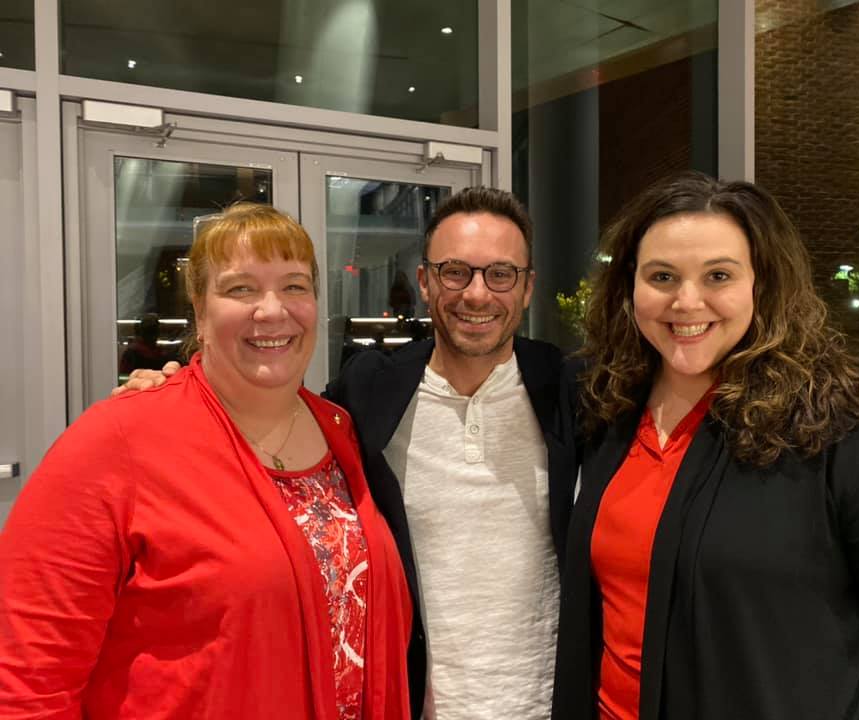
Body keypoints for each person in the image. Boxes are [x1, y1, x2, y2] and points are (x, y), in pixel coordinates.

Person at [113, 187, 579, 720]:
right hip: (408, 702)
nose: (477, 294)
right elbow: (262, 412)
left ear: (526, 288)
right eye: (455, 272)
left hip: (544, 701)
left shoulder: (570, 389)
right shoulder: (367, 391)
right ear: (425, 282)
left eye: (501, 274)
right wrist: (179, 387)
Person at [552, 171, 859, 720]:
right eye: (662, 276)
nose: (686, 301)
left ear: (761, 284)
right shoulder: (609, 411)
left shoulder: (846, 431)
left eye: (718, 275)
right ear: (631, 286)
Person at [0, 203, 412, 719]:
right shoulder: (117, 441)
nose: (272, 310)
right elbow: (27, 682)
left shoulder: (338, 430)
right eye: (241, 288)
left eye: (294, 286)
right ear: (200, 308)